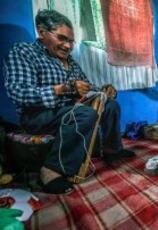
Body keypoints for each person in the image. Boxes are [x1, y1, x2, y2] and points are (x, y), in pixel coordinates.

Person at [4, 10, 135, 194]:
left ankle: (112, 150)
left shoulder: (71, 62)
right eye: (62, 38)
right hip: (38, 116)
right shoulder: (24, 52)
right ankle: (51, 170)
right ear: (42, 32)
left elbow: (85, 86)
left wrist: (103, 90)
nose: (68, 46)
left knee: (110, 105)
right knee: (84, 113)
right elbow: (17, 92)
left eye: (71, 41)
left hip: (68, 111)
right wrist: (63, 89)